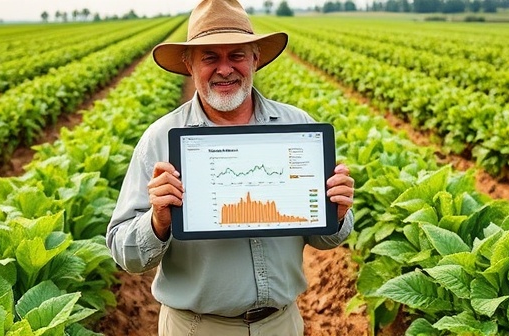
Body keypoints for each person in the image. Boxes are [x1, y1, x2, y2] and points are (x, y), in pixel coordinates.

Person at [106, 0, 355, 335]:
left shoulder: (299, 127)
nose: (225, 69)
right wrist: (158, 221)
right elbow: (126, 254)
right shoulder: (160, 139)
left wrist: (335, 213)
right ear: (189, 65)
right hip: (197, 326)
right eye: (210, 57)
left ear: (255, 59)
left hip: (282, 324)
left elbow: (325, 240)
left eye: (236, 54)